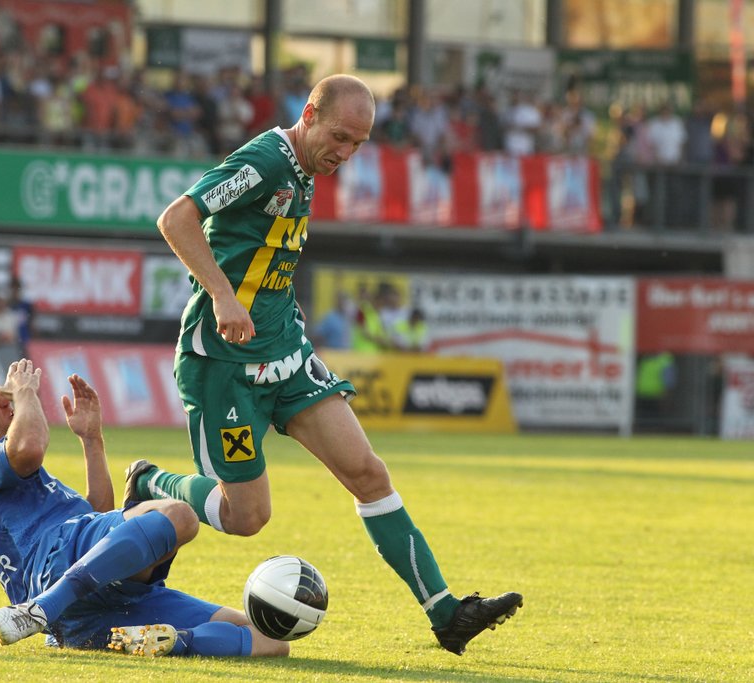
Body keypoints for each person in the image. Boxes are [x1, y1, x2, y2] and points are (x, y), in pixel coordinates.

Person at [138, 74, 522, 656]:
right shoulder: (266, 161)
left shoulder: (307, 166)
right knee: (246, 517)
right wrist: (222, 295)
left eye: (358, 144)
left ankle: (446, 614)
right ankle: (150, 480)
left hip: (286, 355)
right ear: (309, 114)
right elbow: (176, 218)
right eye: (339, 137)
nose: (345, 153)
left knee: (368, 473)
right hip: (224, 365)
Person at [0, 359, 289, 658]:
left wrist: (92, 439)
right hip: (53, 572)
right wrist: (26, 391)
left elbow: (102, 526)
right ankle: (43, 608)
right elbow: (29, 447)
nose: (4, 396)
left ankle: (167, 641)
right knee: (180, 515)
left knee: (268, 640)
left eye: (1, 390)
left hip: (93, 602)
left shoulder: (15, 475)